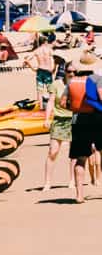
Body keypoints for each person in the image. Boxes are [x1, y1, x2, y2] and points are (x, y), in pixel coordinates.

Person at [64, 53, 102, 203]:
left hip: (78, 119)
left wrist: (75, 108)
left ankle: (79, 195)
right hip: (97, 117)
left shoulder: (71, 82)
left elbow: (63, 103)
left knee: (80, 158)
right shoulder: (96, 80)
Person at [39, 61, 74, 192]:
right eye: (69, 71)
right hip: (59, 121)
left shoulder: (79, 84)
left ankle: (72, 180)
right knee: (53, 152)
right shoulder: (56, 85)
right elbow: (51, 102)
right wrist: (47, 118)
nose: (72, 74)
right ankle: (47, 182)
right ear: (64, 71)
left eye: (74, 72)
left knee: (74, 153)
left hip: (74, 121)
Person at [27, 34, 57, 121]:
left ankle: (41, 108)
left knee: (40, 91)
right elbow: (55, 59)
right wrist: (53, 68)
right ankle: (51, 107)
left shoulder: (36, 51)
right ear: (46, 41)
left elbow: (27, 59)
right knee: (51, 90)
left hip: (40, 71)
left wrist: (33, 68)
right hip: (48, 71)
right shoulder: (49, 50)